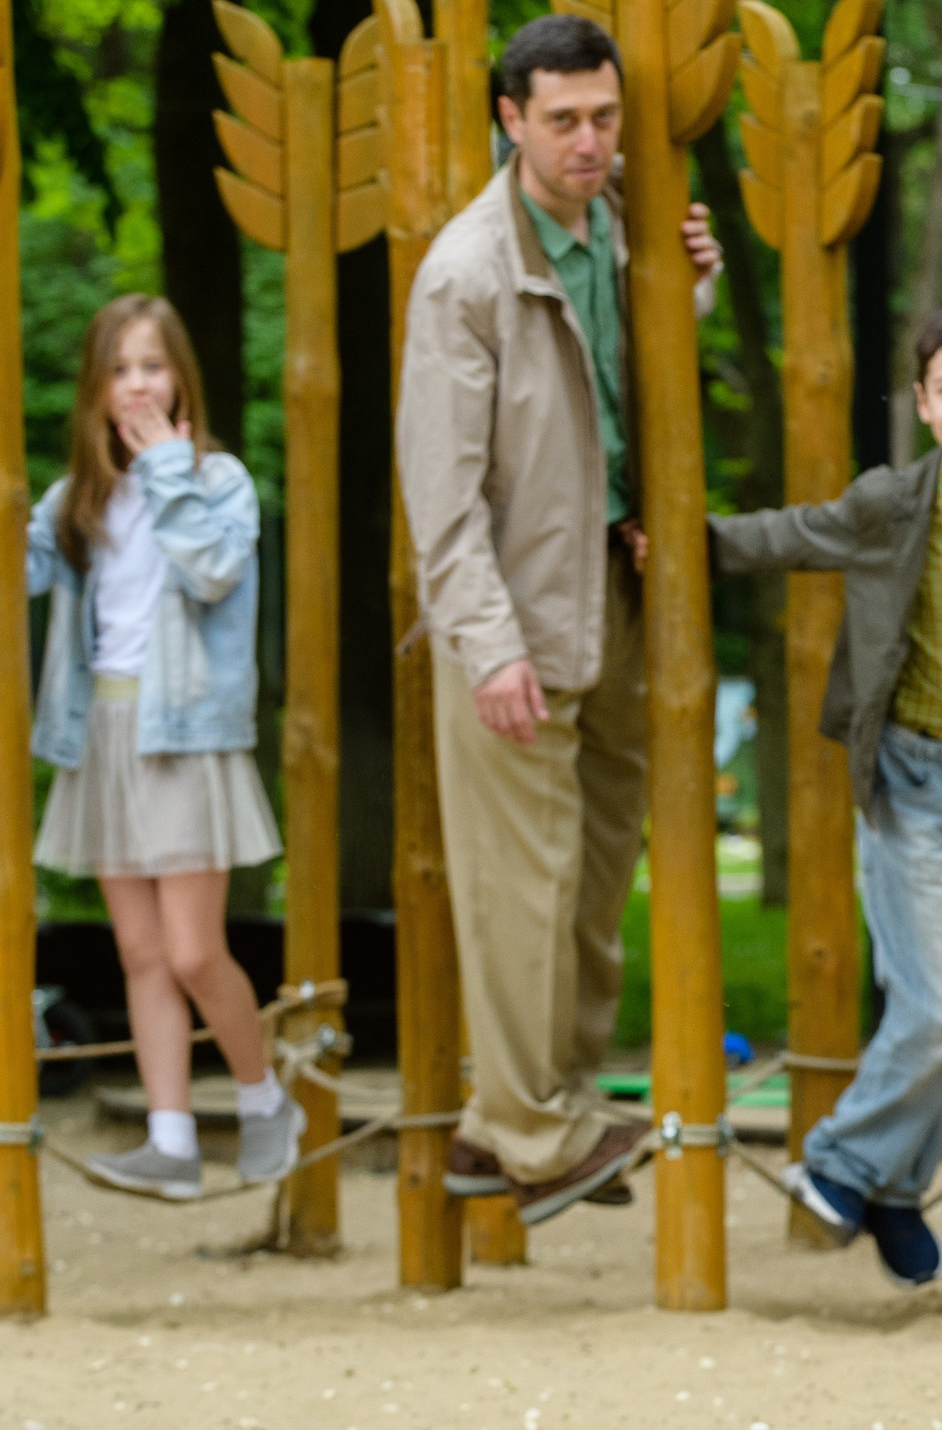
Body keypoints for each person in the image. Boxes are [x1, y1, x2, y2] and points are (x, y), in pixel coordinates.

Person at [396, 12, 723, 1225]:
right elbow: (441, 492)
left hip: (613, 587)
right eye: (564, 121)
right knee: (517, 888)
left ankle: (534, 1115)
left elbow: (609, 403)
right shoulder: (466, 271)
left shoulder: (629, 221)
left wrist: (684, 287)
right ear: (510, 120)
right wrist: (486, 646)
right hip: (515, 621)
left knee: (592, 879)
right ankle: (535, 1126)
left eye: (603, 115)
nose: (590, 141)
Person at [706, 300, 942, 1287]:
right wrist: (684, 541)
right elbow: (790, 534)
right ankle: (838, 1163)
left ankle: (897, 1187)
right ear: (922, 404)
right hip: (911, 780)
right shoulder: (890, 504)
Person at [0, 296, 292, 1201]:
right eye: (121, 369)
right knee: (137, 949)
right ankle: (170, 1139)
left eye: (154, 367)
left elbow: (214, 571)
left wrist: (167, 465)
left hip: (186, 733)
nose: (138, 385)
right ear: (95, 390)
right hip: (103, 732)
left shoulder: (219, 480)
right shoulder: (77, 498)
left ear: (182, 382)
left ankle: (263, 1099)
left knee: (193, 949)